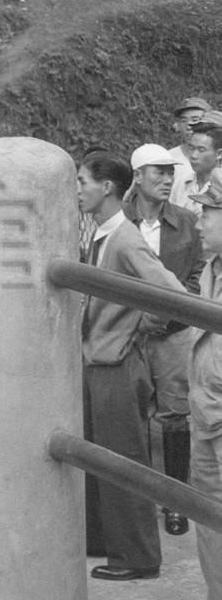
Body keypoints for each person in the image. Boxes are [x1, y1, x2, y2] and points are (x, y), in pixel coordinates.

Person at [78, 152, 188, 580]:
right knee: (100, 456)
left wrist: (138, 329)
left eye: (83, 180)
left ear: (107, 187)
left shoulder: (125, 238)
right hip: (99, 361)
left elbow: (172, 295)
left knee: (124, 459)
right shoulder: (101, 234)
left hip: (118, 363)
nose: (78, 188)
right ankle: (106, 541)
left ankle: (138, 557)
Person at [122, 143, 204, 536]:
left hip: (173, 333)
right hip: (128, 332)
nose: (167, 179)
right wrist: (137, 319)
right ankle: (136, 502)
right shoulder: (120, 221)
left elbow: (196, 271)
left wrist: (172, 312)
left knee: (174, 415)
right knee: (131, 414)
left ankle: (175, 502)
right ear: (138, 176)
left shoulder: (187, 221)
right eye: (158, 172)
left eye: (171, 172)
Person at [167, 174, 222, 600]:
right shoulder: (212, 268)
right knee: (212, 529)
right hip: (209, 416)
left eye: (209, 212)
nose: (200, 220)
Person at [173, 113, 222, 218]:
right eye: (191, 148)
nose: (194, 156)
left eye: (201, 150)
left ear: (219, 154)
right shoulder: (180, 184)